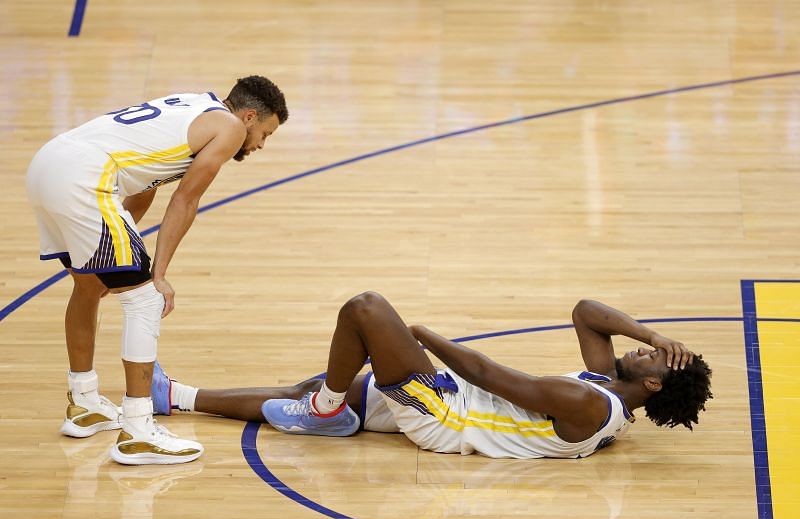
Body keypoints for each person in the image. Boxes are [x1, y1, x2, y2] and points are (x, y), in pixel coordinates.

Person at [26, 75, 289, 465]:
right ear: (249, 117)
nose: (261, 145)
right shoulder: (230, 128)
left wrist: (115, 264)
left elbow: (142, 185)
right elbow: (186, 199)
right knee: (146, 301)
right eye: (265, 133)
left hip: (48, 165)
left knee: (88, 287)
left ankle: (84, 403)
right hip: (85, 178)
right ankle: (138, 430)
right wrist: (157, 275)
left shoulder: (189, 104)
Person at [152, 292, 712, 459]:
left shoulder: (589, 406)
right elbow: (587, 311)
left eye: (657, 358)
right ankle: (174, 396)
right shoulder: (605, 388)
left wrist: (422, 334)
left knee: (365, 310)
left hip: (445, 415)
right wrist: (653, 337)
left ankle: (325, 413)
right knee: (314, 385)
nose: (649, 351)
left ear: (657, 385)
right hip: (455, 400)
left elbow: (490, 374)